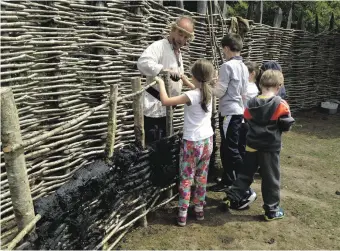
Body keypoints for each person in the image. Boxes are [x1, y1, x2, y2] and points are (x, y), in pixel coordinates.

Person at [222, 70, 295, 220]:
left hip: (252, 145)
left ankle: (232, 197)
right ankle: (272, 210)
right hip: (270, 148)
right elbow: (286, 125)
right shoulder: (281, 104)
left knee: (245, 174)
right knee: (270, 178)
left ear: (260, 84)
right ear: (279, 86)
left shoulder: (252, 102)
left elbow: (247, 118)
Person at [155, 59, 215, 227]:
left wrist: (160, 83)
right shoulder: (208, 91)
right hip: (207, 141)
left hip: (192, 143)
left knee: (186, 178)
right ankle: (199, 210)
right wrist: (183, 79)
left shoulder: (192, 95)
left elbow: (166, 101)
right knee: (201, 177)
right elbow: (196, 89)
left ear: (195, 76)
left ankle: (182, 214)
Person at [137, 16, 195, 144]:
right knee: (153, 149)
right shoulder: (159, 46)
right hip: (154, 110)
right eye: (180, 34)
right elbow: (142, 63)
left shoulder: (177, 52)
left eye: (186, 37)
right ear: (172, 30)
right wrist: (164, 70)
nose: (182, 40)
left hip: (167, 110)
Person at [209, 33, 252, 197]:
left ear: (226, 48)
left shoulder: (227, 66)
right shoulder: (244, 67)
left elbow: (220, 92)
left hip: (228, 112)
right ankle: (228, 180)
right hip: (239, 111)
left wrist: (207, 87)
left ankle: (243, 178)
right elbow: (242, 92)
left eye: (223, 49)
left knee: (230, 148)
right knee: (229, 147)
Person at [239, 61, 260, 159]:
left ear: (252, 74)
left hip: (244, 121)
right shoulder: (247, 86)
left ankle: (242, 169)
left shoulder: (251, 88)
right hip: (243, 120)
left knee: (242, 146)